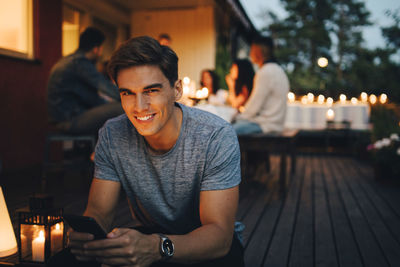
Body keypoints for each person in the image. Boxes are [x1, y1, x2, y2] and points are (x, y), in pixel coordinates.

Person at [48, 36, 244, 267]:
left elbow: (219, 237)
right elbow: (99, 212)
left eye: (151, 90)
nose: (139, 106)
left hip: (208, 246)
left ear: (177, 89)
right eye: (127, 93)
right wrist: (88, 236)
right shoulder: (113, 135)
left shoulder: (215, 136)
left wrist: (157, 247)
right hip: (151, 235)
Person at [47, 27, 124, 135]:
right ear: (96, 49)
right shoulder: (79, 63)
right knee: (123, 108)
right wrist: (127, 95)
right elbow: (104, 86)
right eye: (101, 49)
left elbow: (88, 96)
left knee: (115, 108)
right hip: (70, 119)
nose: (100, 53)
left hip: (61, 117)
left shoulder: (69, 60)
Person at [232, 36, 290, 135]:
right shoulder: (278, 70)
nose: (250, 54)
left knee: (226, 132)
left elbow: (254, 104)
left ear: (258, 52)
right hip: (276, 123)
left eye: (251, 50)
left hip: (265, 125)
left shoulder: (265, 72)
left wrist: (236, 117)